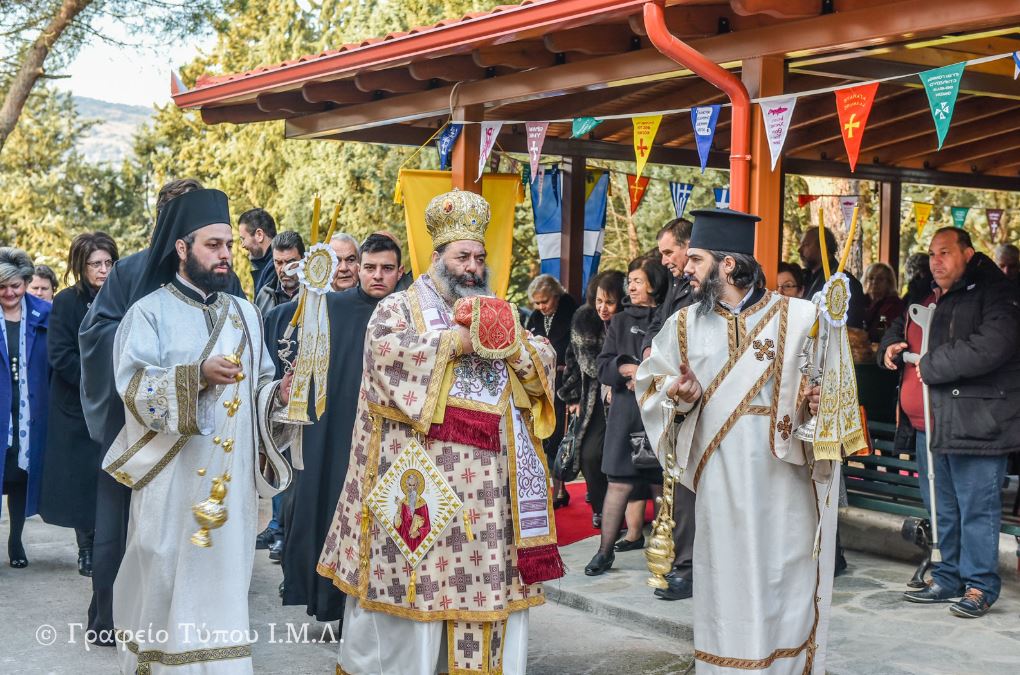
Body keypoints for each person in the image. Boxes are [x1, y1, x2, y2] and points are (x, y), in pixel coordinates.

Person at [317, 189, 561, 675]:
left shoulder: (499, 308)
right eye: (462, 256)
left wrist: (515, 351)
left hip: (488, 502)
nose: (472, 266)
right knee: (415, 601)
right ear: (437, 258)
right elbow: (387, 362)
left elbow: (542, 360)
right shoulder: (398, 309)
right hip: (425, 495)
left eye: (478, 256)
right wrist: (455, 341)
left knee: (482, 599)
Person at [637, 208, 840, 674]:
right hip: (720, 477)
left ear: (728, 265)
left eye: (697, 259)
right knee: (727, 576)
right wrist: (678, 393)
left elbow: (831, 395)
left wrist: (817, 400)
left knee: (783, 571)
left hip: (783, 475)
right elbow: (651, 384)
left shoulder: (803, 316)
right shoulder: (684, 324)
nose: (686, 269)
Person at [105, 188, 294, 673]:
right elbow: (134, 389)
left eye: (229, 244)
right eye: (213, 244)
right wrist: (196, 378)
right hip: (172, 484)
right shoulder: (147, 313)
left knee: (223, 586)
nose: (227, 254)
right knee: (166, 577)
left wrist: (281, 397)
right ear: (182, 248)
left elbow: (261, 389)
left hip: (227, 490)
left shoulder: (246, 315)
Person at [78, 178, 246, 645]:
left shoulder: (220, 270)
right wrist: (162, 358)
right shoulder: (131, 272)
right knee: (127, 531)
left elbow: (236, 333)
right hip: (136, 425)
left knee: (192, 534)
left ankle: (195, 624)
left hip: (203, 432)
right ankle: (112, 620)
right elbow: (96, 337)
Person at [263, 233, 404, 624]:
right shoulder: (331, 308)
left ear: (400, 271)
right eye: (369, 267)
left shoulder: (411, 314)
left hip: (393, 434)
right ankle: (333, 602)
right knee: (333, 510)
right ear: (359, 267)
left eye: (386, 268)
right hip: (340, 427)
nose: (377, 275)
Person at [884, 228, 1020, 618]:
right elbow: (899, 326)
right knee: (942, 506)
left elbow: (993, 344)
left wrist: (932, 365)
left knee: (976, 507)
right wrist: (890, 348)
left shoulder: (996, 292)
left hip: (977, 423)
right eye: (931, 253)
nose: (935, 261)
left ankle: (980, 585)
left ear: (968, 254)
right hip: (929, 423)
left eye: (945, 253)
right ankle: (947, 577)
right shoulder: (926, 290)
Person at [38, 232, 118, 578]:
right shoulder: (68, 302)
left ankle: (109, 545)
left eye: (108, 262)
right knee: (83, 480)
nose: (103, 270)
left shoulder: (123, 298)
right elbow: (60, 354)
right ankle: (86, 548)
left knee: (111, 478)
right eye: (95, 264)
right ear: (80, 267)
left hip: (117, 400)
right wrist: (94, 385)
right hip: (77, 404)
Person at [584, 256, 669, 576]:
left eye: (638, 280)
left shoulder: (668, 318)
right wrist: (624, 368)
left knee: (662, 485)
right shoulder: (618, 322)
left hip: (658, 415)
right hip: (625, 414)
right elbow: (603, 365)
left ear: (654, 284)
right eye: (630, 281)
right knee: (618, 483)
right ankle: (604, 551)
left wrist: (647, 373)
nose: (630, 286)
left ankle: (665, 550)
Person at [639, 217, 697, 602]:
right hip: (672, 397)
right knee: (676, 488)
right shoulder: (677, 286)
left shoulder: (701, 290)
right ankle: (679, 563)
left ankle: (688, 568)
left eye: (668, 252)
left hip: (695, 397)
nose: (665, 261)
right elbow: (656, 328)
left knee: (689, 491)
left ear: (689, 245)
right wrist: (648, 353)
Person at [558, 270, 625, 529]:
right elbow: (576, 360)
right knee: (589, 454)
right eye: (599, 301)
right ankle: (600, 507)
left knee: (618, 455)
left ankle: (622, 510)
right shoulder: (584, 319)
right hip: (592, 397)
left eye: (609, 302)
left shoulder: (627, 321)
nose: (603, 308)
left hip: (621, 395)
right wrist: (572, 395)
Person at [1, 247, 51, 569]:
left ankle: (16, 539)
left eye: (16, 286)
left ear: (26, 282)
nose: (9, 292)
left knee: (19, 477)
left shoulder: (45, 314)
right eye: (2, 286)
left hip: (29, 410)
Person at [525, 274, 578, 508]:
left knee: (560, 437)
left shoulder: (573, 312)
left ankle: (559, 489)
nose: (540, 307)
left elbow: (577, 349)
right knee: (545, 437)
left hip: (565, 385)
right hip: (542, 384)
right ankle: (554, 488)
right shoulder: (535, 317)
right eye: (536, 303)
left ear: (556, 296)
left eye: (544, 301)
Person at [798, 226, 866, 328]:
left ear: (823, 246)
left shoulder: (847, 283)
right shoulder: (801, 277)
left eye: (806, 245)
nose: (799, 250)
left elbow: (850, 329)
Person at [255, 231, 305, 316]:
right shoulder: (264, 295)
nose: (284, 269)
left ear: (303, 259)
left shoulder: (315, 294)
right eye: (279, 262)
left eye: (290, 262)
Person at [238, 207, 279, 295]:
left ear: (259, 235)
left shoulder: (275, 267)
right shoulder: (269, 266)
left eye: (243, 239)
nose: (242, 245)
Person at [862, 262, 905, 344]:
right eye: (871, 278)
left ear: (889, 283)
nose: (874, 282)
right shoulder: (860, 301)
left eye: (880, 279)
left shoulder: (894, 305)